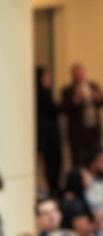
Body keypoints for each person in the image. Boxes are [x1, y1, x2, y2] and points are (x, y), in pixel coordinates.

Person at [62, 65, 103, 166]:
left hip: (93, 130)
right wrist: (75, 100)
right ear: (73, 76)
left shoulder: (92, 86)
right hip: (78, 133)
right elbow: (64, 109)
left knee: (96, 157)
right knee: (78, 160)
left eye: (80, 73)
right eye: (76, 74)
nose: (79, 76)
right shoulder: (68, 91)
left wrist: (99, 98)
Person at [36, 67, 63, 198]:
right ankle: (52, 189)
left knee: (54, 162)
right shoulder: (41, 93)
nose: (48, 79)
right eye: (46, 76)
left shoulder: (44, 92)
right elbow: (54, 108)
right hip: (47, 134)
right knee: (51, 163)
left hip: (50, 133)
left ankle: (53, 188)